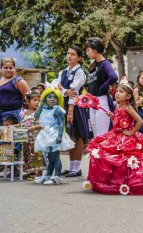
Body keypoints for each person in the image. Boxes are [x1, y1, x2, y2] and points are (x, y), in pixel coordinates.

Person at [83, 80, 143, 195]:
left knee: (127, 159)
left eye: (121, 91)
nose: (117, 93)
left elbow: (140, 121)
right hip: (115, 134)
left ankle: (128, 181)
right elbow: (118, 122)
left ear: (128, 96)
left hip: (126, 136)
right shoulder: (118, 106)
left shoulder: (128, 107)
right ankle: (114, 180)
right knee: (108, 154)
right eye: (116, 91)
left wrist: (132, 133)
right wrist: (113, 116)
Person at [57, 46, 90, 178]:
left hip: (75, 106)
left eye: (73, 54)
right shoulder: (63, 72)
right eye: (68, 53)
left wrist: (70, 110)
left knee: (78, 136)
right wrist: (65, 91)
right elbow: (57, 87)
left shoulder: (80, 72)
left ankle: (76, 168)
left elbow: (75, 91)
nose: (69, 56)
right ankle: (71, 167)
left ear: (79, 58)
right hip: (64, 105)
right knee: (70, 136)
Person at [34, 87, 74, 185]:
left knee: (55, 157)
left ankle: (57, 176)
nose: (52, 99)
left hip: (54, 134)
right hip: (46, 134)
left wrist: (59, 136)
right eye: (49, 97)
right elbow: (36, 115)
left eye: (54, 97)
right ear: (45, 98)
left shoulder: (57, 110)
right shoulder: (43, 108)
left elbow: (61, 123)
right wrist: (41, 103)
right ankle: (48, 175)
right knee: (49, 157)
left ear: (58, 99)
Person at [85, 37, 118, 137]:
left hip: (102, 101)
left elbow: (114, 76)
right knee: (95, 134)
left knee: (101, 134)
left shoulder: (105, 64)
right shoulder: (93, 65)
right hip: (92, 102)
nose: (87, 53)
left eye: (88, 50)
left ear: (95, 49)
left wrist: (103, 87)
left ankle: (102, 152)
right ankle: (96, 152)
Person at [0, 58, 30, 126]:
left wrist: (28, 113)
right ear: (1, 68)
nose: (8, 70)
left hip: (13, 114)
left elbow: (29, 97)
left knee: (12, 135)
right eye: (5, 68)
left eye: (11, 67)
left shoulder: (18, 81)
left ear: (14, 68)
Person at [20, 91, 45, 180]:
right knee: (28, 155)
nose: (37, 102)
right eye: (34, 100)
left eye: (39, 100)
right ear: (27, 101)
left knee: (37, 155)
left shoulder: (40, 113)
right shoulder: (24, 112)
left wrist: (35, 127)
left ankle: (39, 172)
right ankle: (30, 172)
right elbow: (21, 124)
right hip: (26, 140)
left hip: (37, 139)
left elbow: (44, 124)